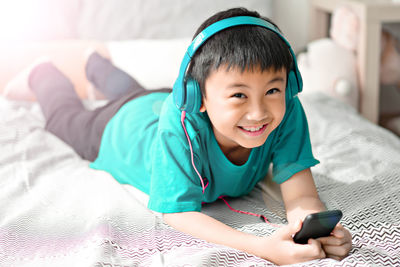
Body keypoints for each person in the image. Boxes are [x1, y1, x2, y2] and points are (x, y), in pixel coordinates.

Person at [5, 7, 352, 265]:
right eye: (239, 95)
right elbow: (176, 212)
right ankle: (44, 72)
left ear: (289, 86)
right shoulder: (181, 124)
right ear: (195, 97)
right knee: (65, 119)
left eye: (273, 90)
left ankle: (96, 65)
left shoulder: (286, 111)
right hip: (120, 128)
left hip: (154, 100)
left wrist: (310, 227)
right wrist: (263, 248)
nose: (259, 112)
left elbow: (301, 194)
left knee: (137, 91)